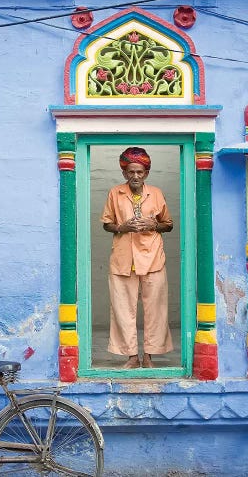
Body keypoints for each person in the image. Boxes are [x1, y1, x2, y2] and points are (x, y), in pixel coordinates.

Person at [100, 147, 174, 369]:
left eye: (140, 172)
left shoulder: (157, 193)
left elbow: (168, 225)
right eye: (131, 172)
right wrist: (122, 227)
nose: (135, 176)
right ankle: (131, 356)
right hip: (123, 260)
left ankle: (149, 356)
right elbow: (107, 224)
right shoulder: (115, 193)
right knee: (123, 309)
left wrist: (154, 225)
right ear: (124, 173)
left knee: (156, 309)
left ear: (146, 173)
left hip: (152, 258)